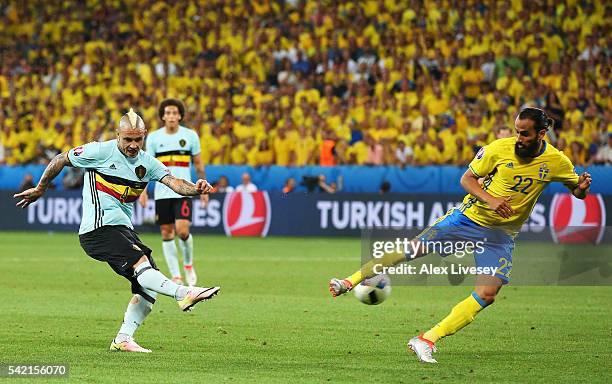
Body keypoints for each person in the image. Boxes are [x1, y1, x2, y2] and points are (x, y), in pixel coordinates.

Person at [329, 107, 592, 363]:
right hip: (468, 218)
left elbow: (575, 190)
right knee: (413, 250)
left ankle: (427, 339)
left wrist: (580, 189)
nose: (519, 139)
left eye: (524, 134)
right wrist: (490, 199)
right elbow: (467, 179)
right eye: (517, 132)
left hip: (501, 234)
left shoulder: (557, 161)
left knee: (488, 293)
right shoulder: (497, 149)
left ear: (541, 134)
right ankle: (348, 282)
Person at [14, 109, 220, 353]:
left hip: (122, 229)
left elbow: (175, 183)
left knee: (147, 285)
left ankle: (123, 339)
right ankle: (183, 293)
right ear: (118, 135)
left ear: (144, 136)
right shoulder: (99, 151)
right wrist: (40, 188)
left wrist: (196, 189)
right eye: (127, 139)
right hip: (98, 229)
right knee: (141, 264)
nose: (133, 145)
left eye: (138, 139)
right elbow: (61, 159)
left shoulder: (148, 163)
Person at [139, 99, 206, 286]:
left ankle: (188, 265)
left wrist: (204, 190)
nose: (171, 116)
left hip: (184, 190)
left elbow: (199, 164)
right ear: (162, 116)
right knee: (167, 232)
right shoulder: (153, 138)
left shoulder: (190, 136)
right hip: (162, 192)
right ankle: (176, 276)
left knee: (183, 231)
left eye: (174, 113)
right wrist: (143, 191)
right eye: (167, 113)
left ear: (180, 116)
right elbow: (147, 166)